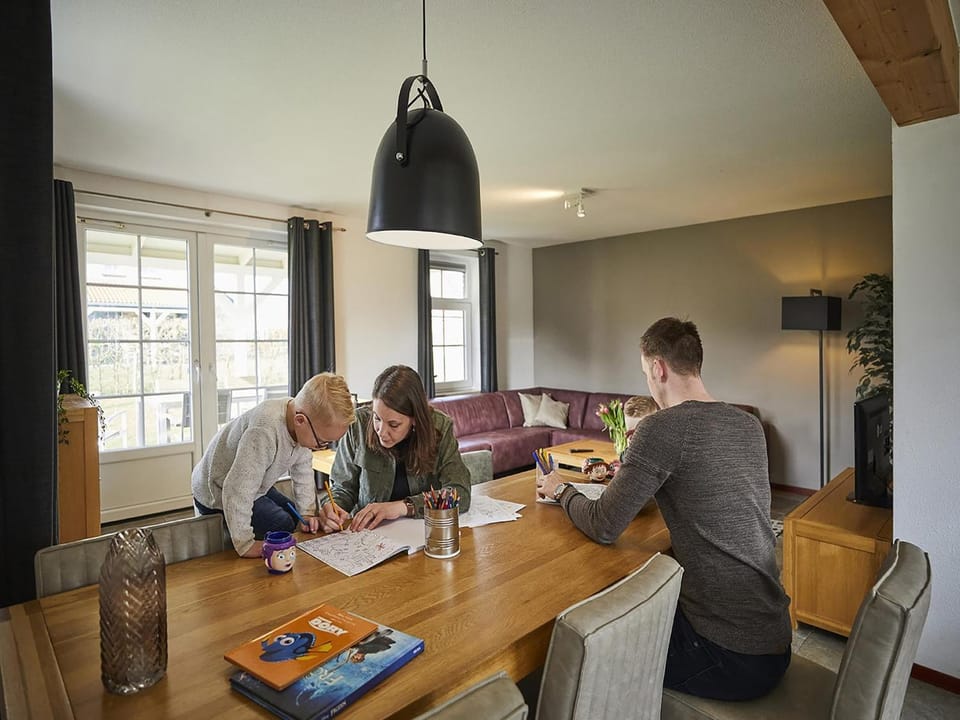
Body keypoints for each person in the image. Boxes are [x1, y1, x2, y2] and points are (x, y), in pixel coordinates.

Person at [537, 317, 791, 701]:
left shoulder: (664, 427)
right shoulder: (748, 425)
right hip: (773, 637)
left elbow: (605, 526)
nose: (648, 382)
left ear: (658, 367)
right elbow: (705, 489)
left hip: (729, 655)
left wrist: (560, 489)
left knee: (583, 648)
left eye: (645, 372)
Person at [192, 373, 356, 558]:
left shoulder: (300, 419)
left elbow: (303, 472)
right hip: (217, 488)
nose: (321, 447)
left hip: (254, 482)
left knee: (296, 518)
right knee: (283, 524)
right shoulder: (264, 431)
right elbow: (236, 490)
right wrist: (245, 543)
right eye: (322, 442)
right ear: (300, 421)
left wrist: (308, 514)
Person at [319, 364, 471, 532]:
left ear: (415, 419)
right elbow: (342, 488)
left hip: (421, 535)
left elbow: (459, 493)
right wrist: (333, 508)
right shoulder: (357, 426)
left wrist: (403, 507)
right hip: (368, 535)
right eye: (377, 418)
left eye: (393, 424)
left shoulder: (439, 427)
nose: (381, 432)